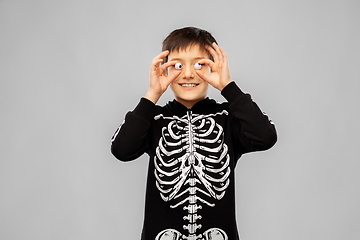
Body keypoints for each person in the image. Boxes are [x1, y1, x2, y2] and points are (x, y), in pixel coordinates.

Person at [111, 27, 277, 240]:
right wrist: (152, 95)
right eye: (178, 65)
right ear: (165, 68)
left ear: (214, 67)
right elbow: (121, 149)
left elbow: (266, 136)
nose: (188, 73)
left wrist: (228, 86)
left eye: (199, 64)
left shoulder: (228, 118)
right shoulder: (153, 120)